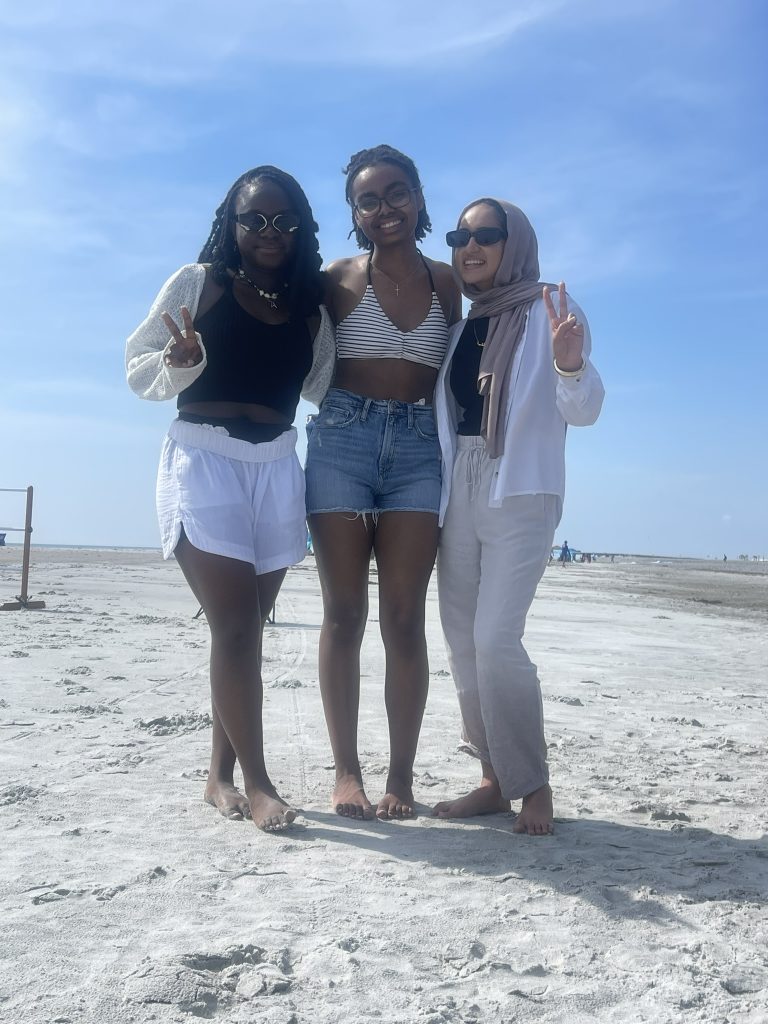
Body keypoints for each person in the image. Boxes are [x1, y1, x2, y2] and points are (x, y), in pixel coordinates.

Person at [125, 166, 334, 831]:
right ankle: (260, 783)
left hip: (277, 466)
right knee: (236, 628)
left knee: (243, 633)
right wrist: (181, 360)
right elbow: (139, 368)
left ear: (300, 227)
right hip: (203, 457)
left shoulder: (310, 307)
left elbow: (325, 386)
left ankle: (217, 777)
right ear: (232, 224)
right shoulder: (199, 283)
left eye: (283, 220)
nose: (268, 232)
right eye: (254, 220)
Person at [432, 198, 605, 835]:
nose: (469, 246)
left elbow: (584, 410)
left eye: (485, 235)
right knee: (460, 641)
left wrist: (569, 363)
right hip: (460, 488)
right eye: (459, 236)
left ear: (517, 242)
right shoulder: (460, 324)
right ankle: (492, 778)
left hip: (521, 489)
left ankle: (532, 783)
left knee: (495, 640)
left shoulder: (551, 309)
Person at [305, 145, 461, 821]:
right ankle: (346, 772)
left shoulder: (448, 283)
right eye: (368, 200)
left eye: (397, 193)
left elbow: (477, 355)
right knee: (343, 613)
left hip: (420, 449)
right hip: (342, 438)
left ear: (420, 197)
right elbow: (275, 320)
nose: (384, 208)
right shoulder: (336, 278)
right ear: (355, 214)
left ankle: (401, 776)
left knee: (404, 618)